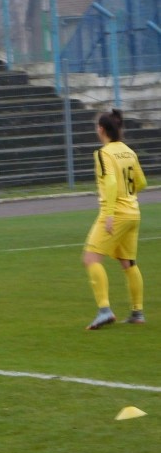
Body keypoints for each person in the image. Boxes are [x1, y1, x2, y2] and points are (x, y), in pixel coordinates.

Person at [83, 109, 148, 330]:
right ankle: (137, 312)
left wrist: (110, 213)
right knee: (128, 263)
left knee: (91, 258)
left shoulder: (104, 153)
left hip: (116, 214)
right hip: (133, 213)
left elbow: (110, 183)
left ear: (101, 129)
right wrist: (128, 195)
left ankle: (104, 310)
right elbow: (141, 182)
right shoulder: (128, 152)